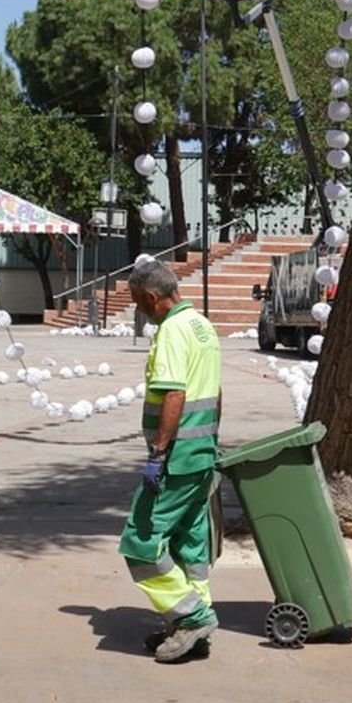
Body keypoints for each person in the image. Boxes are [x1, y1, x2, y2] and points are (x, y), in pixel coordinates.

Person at [120, 259, 223, 663]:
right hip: (200, 456)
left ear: (150, 297)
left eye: (137, 302)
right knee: (189, 546)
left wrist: (159, 454)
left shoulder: (172, 331)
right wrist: (210, 442)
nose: (137, 309)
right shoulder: (203, 326)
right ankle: (191, 626)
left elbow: (175, 395)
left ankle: (192, 619)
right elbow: (216, 393)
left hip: (177, 459)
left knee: (140, 542)